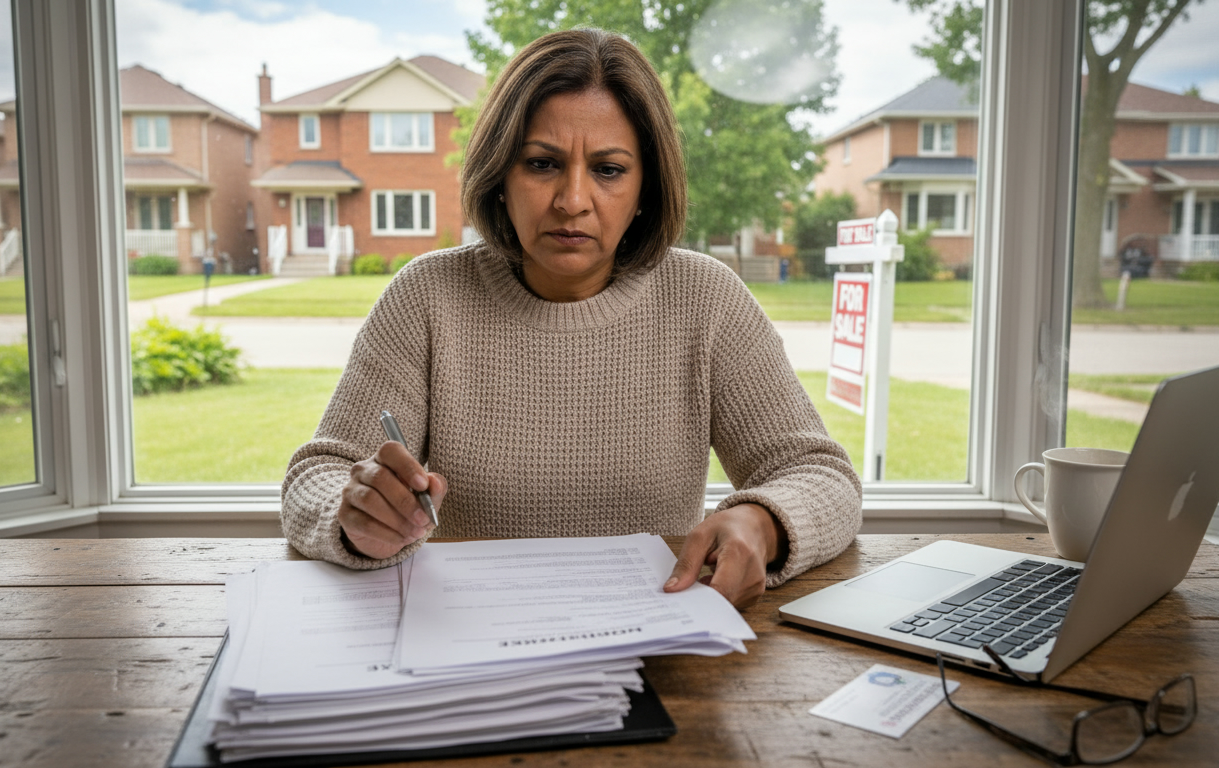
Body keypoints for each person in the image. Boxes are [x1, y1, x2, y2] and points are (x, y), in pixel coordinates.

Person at [281, 28, 861, 607]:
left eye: (608, 170)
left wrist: (761, 522)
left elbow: (823, 476)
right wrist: (354, 514)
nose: (573, 200)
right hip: (467, 641)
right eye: (541, 163)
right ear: (500, 176)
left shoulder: (705, 300)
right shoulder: (427, 296)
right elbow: (318, 474)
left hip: (657, 650)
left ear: (645, 189)